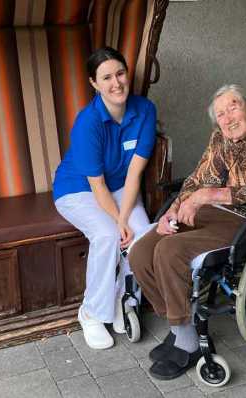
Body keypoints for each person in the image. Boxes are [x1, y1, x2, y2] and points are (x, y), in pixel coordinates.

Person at [128, 84, 246, 380]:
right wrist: (174, 210)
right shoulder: (220, 138)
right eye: (220, 115)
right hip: (208, 211)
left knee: (169, 250)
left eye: (233, 108)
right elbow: (198, 180)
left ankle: (187, 344)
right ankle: (181, 329)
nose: (227, 118)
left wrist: (206, 196)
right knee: (141, 251)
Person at [53, 47, 156, 350]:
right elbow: (96, 186)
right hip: (78, 189)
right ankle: (92, 312)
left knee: (142, 236)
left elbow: (135, 173)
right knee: (108, 235)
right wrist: (119, 221)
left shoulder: (145, 110)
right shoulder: (88, 122)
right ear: (94, 84)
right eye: (107, 77)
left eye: (120, 74)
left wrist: (127, 219)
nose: (116, 83)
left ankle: (122, 300)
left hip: (122, 185)